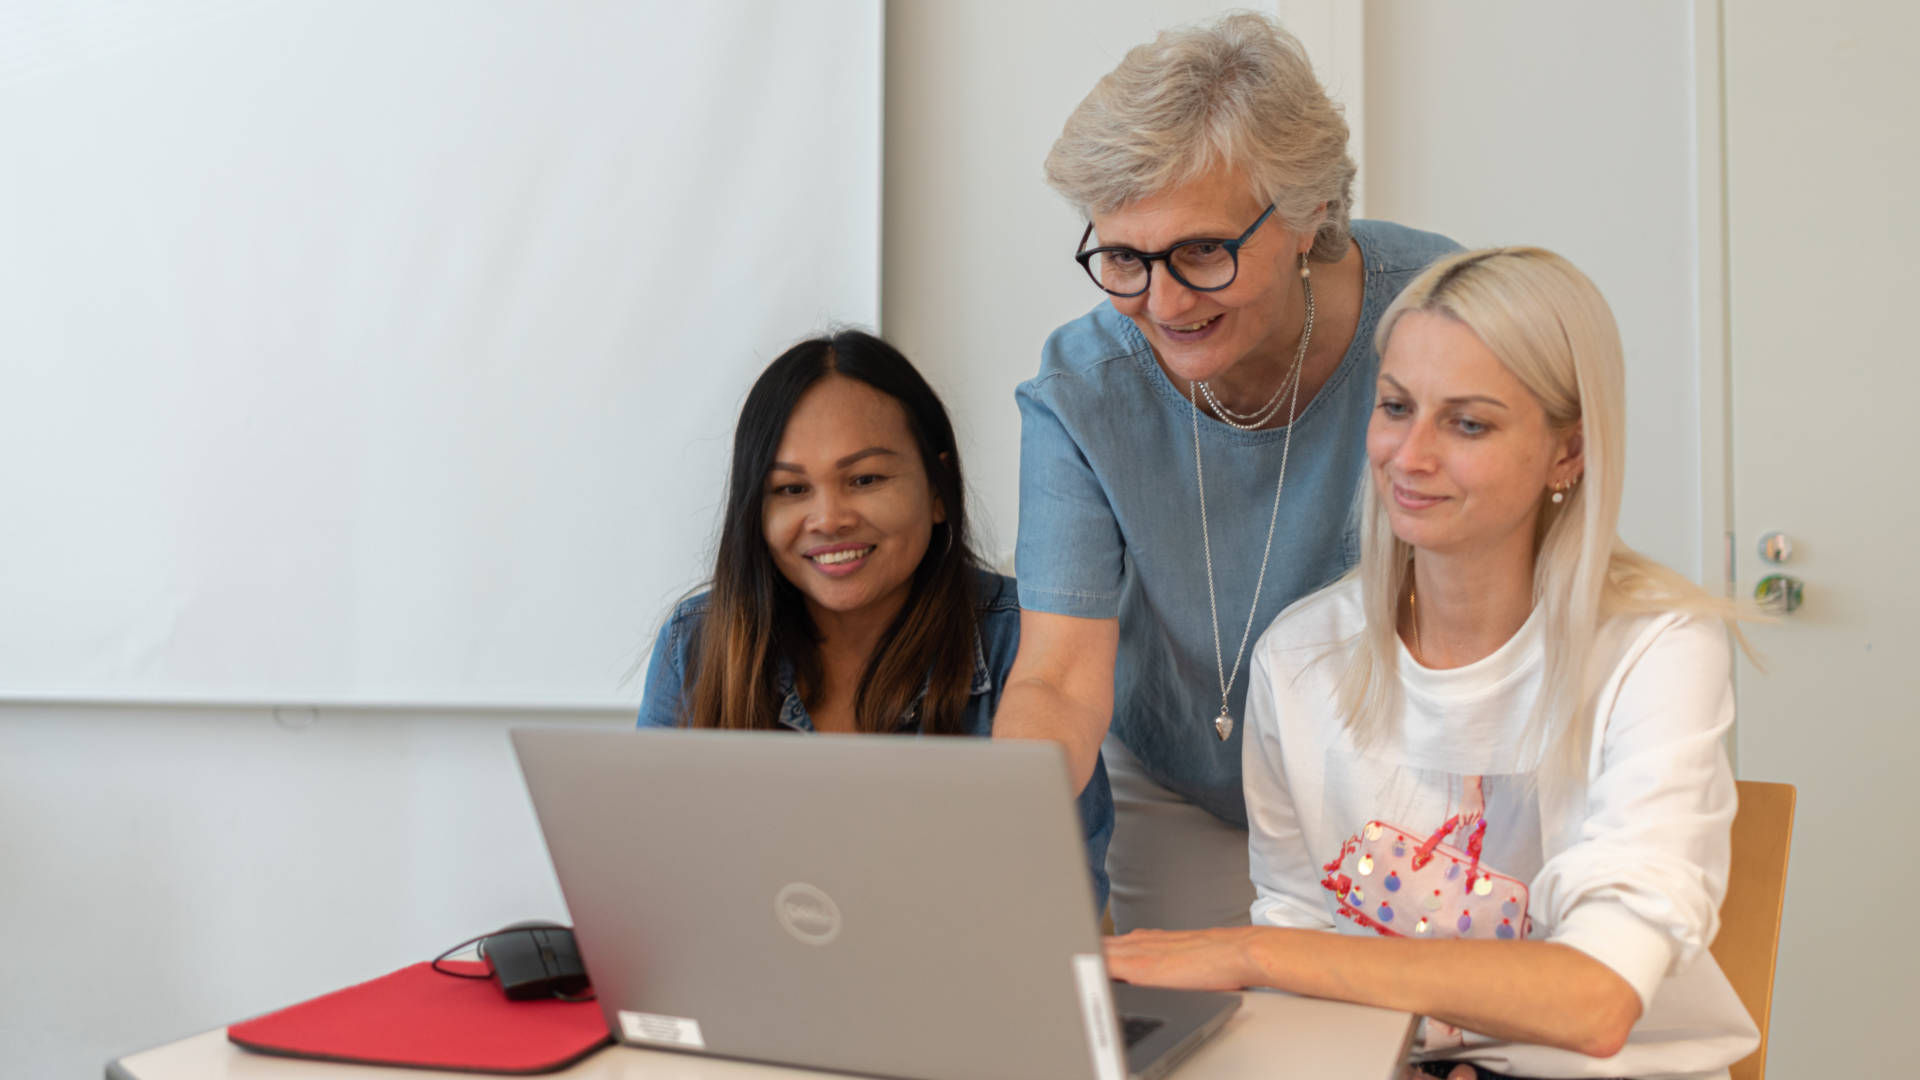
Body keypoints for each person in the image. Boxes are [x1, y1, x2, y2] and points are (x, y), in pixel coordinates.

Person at [1104, 248, 1762, 1080]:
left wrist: (1252, 953)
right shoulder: (1300, 657)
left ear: (1568, 454)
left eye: (1468, 423)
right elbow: (1304, 926)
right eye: (1395, 407)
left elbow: (1594, 1002)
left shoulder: (1658, 648)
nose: (1408, 457)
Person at [994, 11, 1459, 931]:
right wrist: (1007, 829)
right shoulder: (1083, 390)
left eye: (1203, 251)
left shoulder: (1439, 319)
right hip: (1175, 780)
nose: (1162, 304)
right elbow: (1057, 679)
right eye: (1124, 257)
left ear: (1308, 216)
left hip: (1403, 782)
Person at [639, 329, 1112, 909]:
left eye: (865, 479)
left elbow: (1058, 908)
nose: (828, 518)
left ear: (938, 489)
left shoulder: (1025, 639)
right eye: (790, 489)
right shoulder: (696, 643)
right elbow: (656, 888)